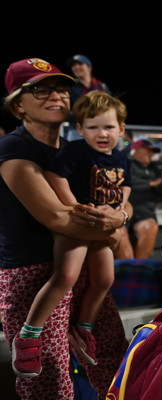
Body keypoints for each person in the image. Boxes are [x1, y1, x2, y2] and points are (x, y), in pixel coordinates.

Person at [0, 58, 127, 399]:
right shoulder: (15, 148)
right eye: (39, 89)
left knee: (111, 357)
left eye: (60, 88)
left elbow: (116, 196)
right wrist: (115, 225)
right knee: (49, 381)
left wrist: (121, 215)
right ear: (18, 104)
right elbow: (57, 218)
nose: (54, 95)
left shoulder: (78, 149)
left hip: (83, 264)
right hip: (34, 274)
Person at [17, 90, 131, 370]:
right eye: (92, 127)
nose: (101, 133)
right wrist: (75, 208)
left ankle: (84, 326)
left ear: (121, 128)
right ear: (79, 129)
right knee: (65, 275)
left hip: (101, 229)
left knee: (105, 278)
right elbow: (55, 175)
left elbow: (124, 184)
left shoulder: (120, 157)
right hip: (76, 226)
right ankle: (29, 334)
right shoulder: (76, 150)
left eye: (108, 127)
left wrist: (121, 207)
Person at [116, 139, 162, 260]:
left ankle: (138, 268)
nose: (151, 154)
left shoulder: (156, 169)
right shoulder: (125, 163)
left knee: (150, 227)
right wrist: (150, 184)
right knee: (118, 231)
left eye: (152, 152)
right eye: (148, 151)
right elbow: (125, 184)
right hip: (122, 207)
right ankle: (127, 269)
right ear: (137, 150)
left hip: (144, 210)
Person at [64, 55, 111, 141]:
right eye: (74, 65)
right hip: (77, 130)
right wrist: (84, 113)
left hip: (101, 129)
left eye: (80, 64)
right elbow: (65, 112)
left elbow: (111, 108)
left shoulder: (102, 87)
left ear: (89, 67)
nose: (76, 67)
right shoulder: (70, 87)